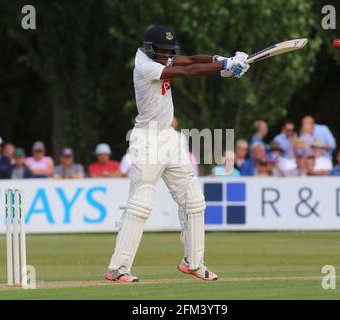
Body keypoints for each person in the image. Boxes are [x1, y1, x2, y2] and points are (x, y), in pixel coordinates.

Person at [106, 25, 250, 282]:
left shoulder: (160, 56)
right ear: (151, 50)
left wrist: (220, 59)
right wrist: (225, 66)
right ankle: (118, 268)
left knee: (194, 201)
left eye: (170, 52)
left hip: (169, 138)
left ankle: (193, 262)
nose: (167, 55)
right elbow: (187, 71)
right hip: (147, 139)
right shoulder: (145, 66)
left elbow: (194, 60)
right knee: (140, 206)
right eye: (162, 51)